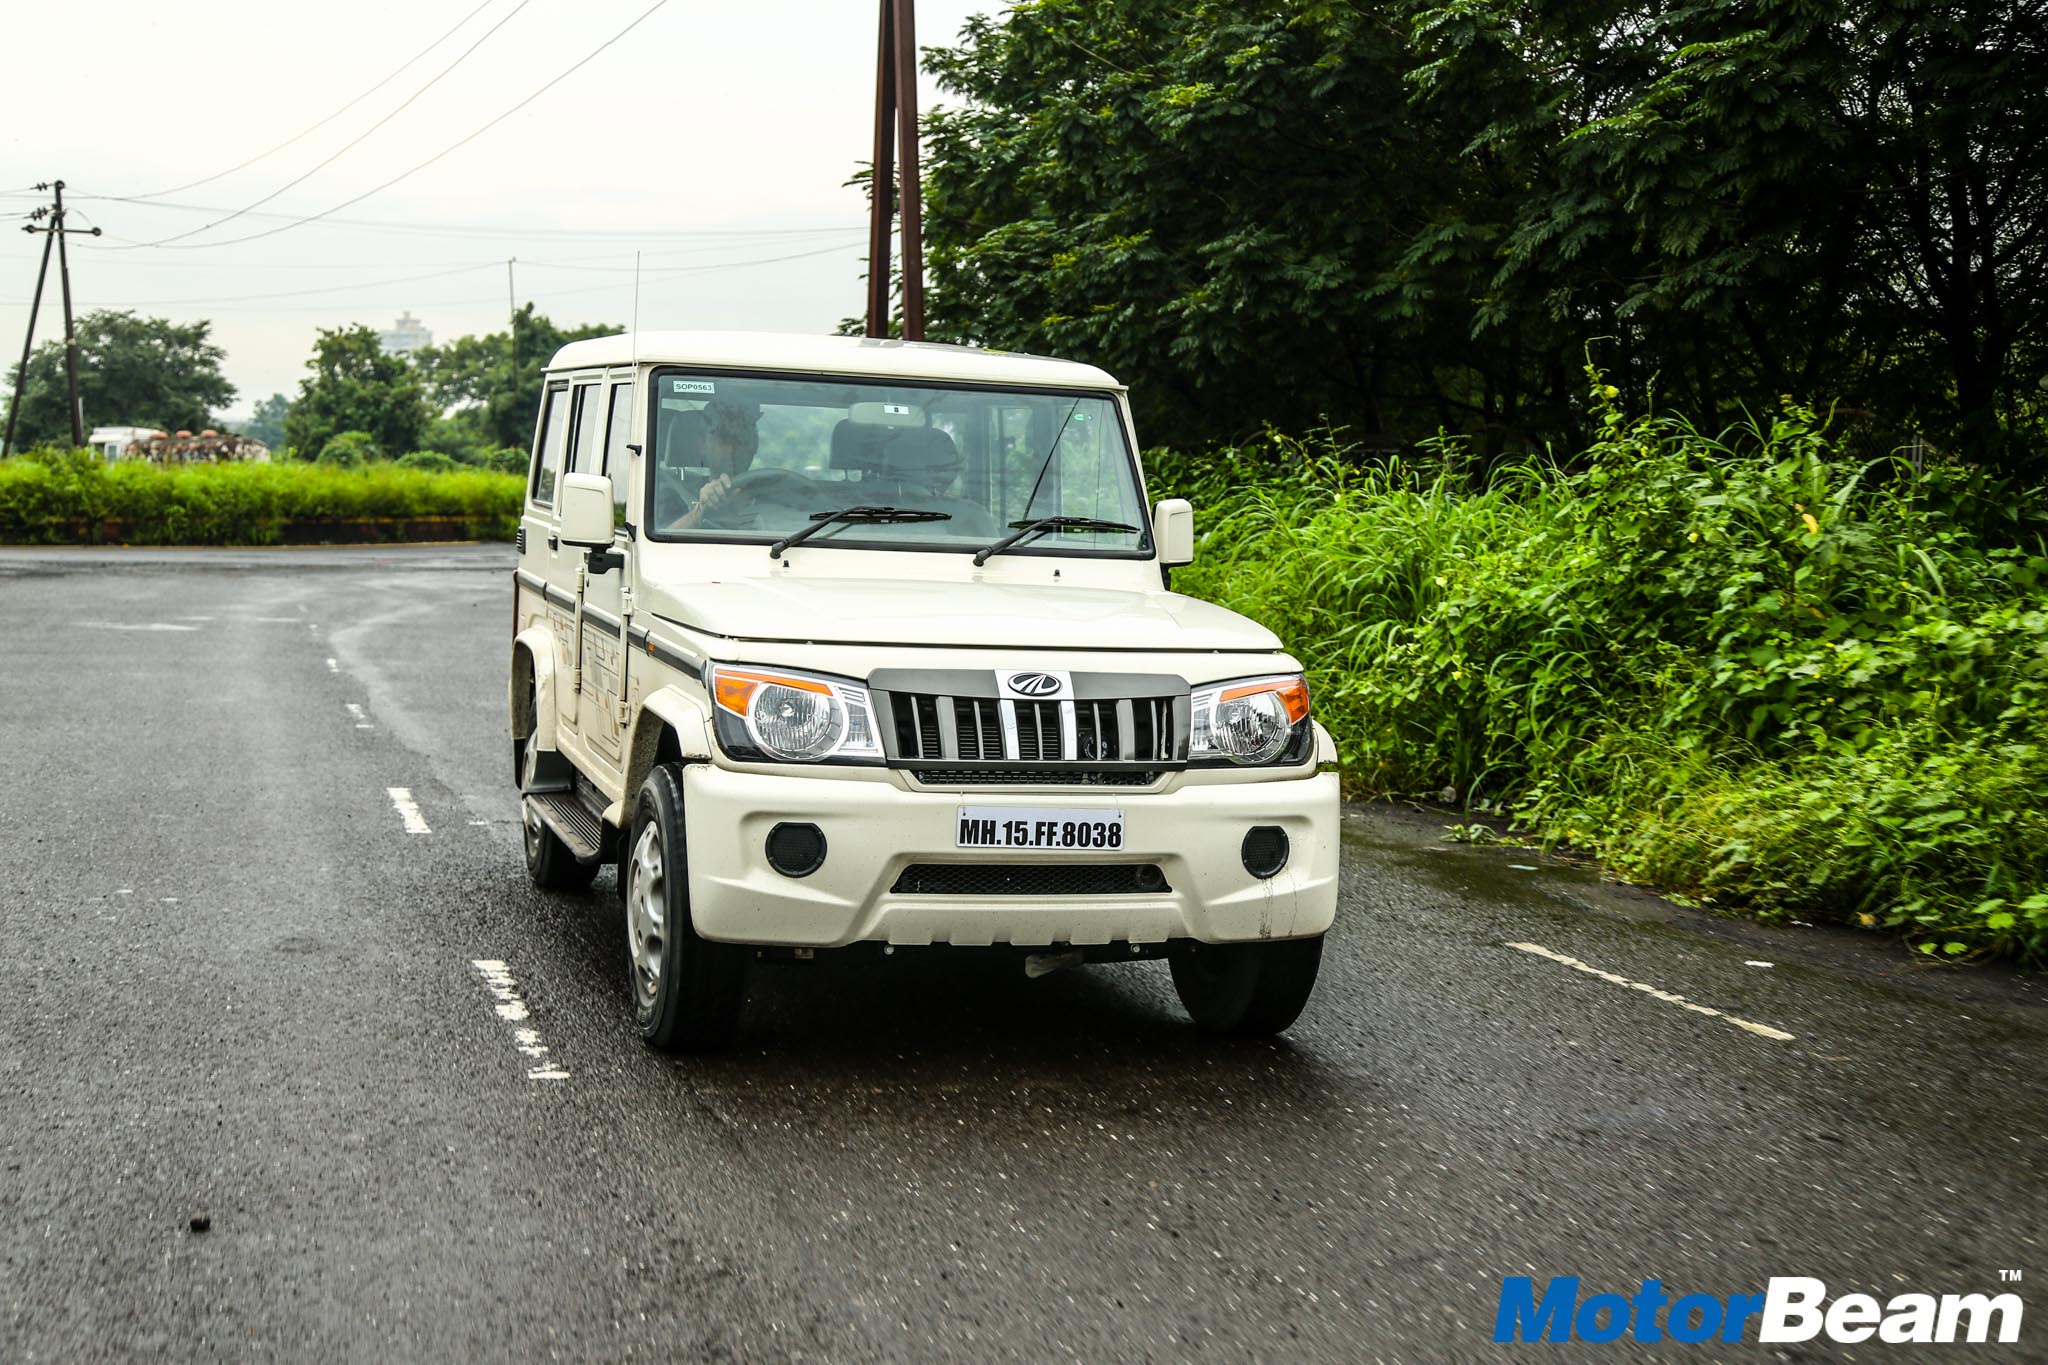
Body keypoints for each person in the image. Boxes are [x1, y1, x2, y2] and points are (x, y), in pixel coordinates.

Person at [664, 399, 761, 530]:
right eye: (723, 438)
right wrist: (699, 513)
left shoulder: (781, 494)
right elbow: (654, 544)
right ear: (702, 444)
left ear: (754, 445)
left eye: (741, 438)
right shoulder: (670, 494)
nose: (732, 448)